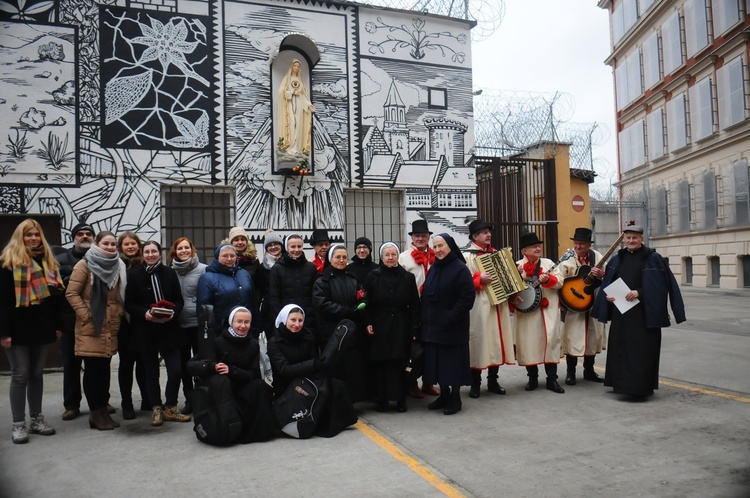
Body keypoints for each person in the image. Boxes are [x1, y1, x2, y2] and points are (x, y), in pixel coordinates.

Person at [592, 224, 685, 398]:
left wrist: (638, 293)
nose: (631, 241)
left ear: (642, 239)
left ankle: (640, 389)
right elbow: (609, 283)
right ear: (624, 240)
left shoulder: (653, 258)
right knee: (621, 349)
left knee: (641, 351)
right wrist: (609, 296)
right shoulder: (617, 259)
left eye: (635, 238)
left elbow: (661, 286)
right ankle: (620, 386)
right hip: (622, 314)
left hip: (643, 315)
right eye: (628, 238)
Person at [0, 219, 64, 443]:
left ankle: (37, 419)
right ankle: (19, 424)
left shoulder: (47, 261)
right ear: (21, 236)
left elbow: (55, 298)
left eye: (36, 235)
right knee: (20, 375)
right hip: (16, 328)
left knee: (37, 374)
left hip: (42, 325)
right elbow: (2, 300)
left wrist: (57, 326)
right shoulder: (8, 262)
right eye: (29, 235)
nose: (34, 238)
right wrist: (4, 332)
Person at [65, 231, 126, 430]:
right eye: (106, 243)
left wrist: (117, 312)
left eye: (113, 244)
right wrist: (87, 315)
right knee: (92, 371)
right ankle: (96, 413)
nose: (110, 247)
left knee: (103, 371)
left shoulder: (117, 266)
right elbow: (72, 293)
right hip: (91, 327)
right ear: (97, 244)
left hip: (110, 326)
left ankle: (101, 411)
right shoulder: (85, 264)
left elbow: (118, 297)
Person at [187, 306, 276, 443]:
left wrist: (232, 371)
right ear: (231, 322)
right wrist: (212, 366)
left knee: (261, 387)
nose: (243, 326)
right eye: (239, 322)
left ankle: (258, 432)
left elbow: (253, 374)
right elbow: (192, 365)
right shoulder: (217, 342)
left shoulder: (253, 344)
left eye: (247, 322)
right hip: (222, 392)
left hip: (241, 384)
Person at [125, 240, 190, 426]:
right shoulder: (135, 275)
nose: (151, 254)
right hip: (146, 330)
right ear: (142, 254)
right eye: (147, 252)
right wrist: (144, 313)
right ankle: (156, 407)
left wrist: (173, 313)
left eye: (154, 251)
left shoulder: (169, 273)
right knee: (150, 372)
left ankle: (171, 405)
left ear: (160, 253)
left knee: (176, 370)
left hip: (169, 329)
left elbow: (179, 300)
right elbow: (129, 303)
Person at [267, 304, 356, 438]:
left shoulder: (307, 336)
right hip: (287, 385)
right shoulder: (274, 342)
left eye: (300, 320)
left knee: (335, 385)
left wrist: (316, 367)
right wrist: (313, 365)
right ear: (285, 320)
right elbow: (284, 370)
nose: (297, 324)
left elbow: (314, 361)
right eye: (293, 320)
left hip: (306, 378)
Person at [420, 233, 475, 415]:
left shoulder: (460, 269)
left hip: (453, 327)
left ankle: (455, 398)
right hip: (435, 327)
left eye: (441, 246)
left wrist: (450, 317)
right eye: (435, 247)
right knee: (439, 364)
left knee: (453, 364)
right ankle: (444, 395)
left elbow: (467, 298)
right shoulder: (435, 267)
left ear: (450, 246)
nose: (437, 250)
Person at [364, 242, 420, 412]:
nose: (390, 258)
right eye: (387, 255)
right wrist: (368, 322)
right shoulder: (373, 277)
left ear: (398, 257)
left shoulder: (408, 278)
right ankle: (382, 400)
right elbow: (366, 302)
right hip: (380, 324)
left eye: (393, 255)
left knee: (400, 363)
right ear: (381, 257)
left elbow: (415, 305)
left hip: (401, 325)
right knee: (382, 363)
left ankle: (400, 399)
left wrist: (414, 328)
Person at [462, 219, 515, 398]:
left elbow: (509, 278)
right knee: (478, 341)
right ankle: (475, 383)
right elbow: (460, 283)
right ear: (474, 236)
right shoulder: (466, 256)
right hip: (478, 305)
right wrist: (477, 279)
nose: (489, 235)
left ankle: (493, 380)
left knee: (496, 341)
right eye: (484, 232)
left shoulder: (497, 254)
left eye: (489, 232)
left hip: (498, 304)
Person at [312, 244, 368, 402]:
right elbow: (322, 304)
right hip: (331, 333)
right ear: (331, 259)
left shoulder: (352, 278)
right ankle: (336, 402)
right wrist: (345, 311)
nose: (342, 260)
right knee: (336, 369)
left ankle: (352, 401)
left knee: (352, 368)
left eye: (344, 257)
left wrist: (360, 304)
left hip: (352, 332)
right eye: (338, 257)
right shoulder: (322, 281)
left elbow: (362, 295)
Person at [512, 232, 565, 394]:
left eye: (538, 246)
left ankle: (552, 379)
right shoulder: (516, 265)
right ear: (524, 251)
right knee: (529, 343)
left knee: (551, 342)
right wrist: (517, 274)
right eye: (533, 246)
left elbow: (560, 281)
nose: (538, 248)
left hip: (547, 310)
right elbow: (510, 289)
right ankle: (532, 378)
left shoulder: (548, 263)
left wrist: (548, 280)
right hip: (527, 313)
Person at [55, 222, 95, 421]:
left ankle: (99, 403)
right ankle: (71, 405)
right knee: (71, 366)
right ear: (74, 238)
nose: (85, 237)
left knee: (95, 366)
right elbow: (58, 289)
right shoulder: (60, 259)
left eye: (88, 234)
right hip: (70, 323)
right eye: (81, 234)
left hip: (95, 322)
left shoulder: (100, 259)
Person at [559, 227, 606, 386]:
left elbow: (608, 275)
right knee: (573, 337)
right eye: (576, 243)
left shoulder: (598, 257)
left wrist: (602, 275)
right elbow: (561, 281)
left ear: (589, 245)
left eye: (582, 244)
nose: (578, 247)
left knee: (592, 338)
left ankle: (589, 371)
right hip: (573, 306)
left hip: (592, 302)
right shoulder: (567, 259)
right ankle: (570, 373)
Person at [398, 219, 440, 398]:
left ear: (429, 237)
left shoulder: (437, 255)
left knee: (432, 346)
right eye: (417, 236)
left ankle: (428, 382)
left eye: (424, 235)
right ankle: (412, 383)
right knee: (414, 347)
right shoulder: (404, 257)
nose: (421, 238)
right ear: (412, 239)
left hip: (434, 306)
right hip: (412, 307)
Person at [167, 237, 207, 414]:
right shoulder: (170, 272)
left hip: (198, 323)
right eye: (180, 248)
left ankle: (202, 397)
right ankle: (189, 398)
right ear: (174, 251)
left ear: (192, 250)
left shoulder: (204, 269)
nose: (183, 251)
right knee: (184, 365)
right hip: (179, 325)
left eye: (187, 248)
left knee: (200, 363)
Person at [116, 232, 148, 418]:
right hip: (123, 321)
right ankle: (126, 403)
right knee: (126, 364)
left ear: (138, 245)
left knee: (144, 363)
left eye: (133, 244)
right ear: (121, 247)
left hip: (142, 320)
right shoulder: (116, 265)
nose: (130, 247)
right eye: (126, 244)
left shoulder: (145, 264)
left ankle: (146, 399)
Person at [196, 243, 255, 336]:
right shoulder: (208, 278)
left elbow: (253, 301)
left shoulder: (244, 274)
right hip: (221, 333)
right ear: (217, 257)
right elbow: (204, 310)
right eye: (225, 256)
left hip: (245, 331)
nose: (229, 259)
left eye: (232, 255)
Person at [268, 234, 317, 330]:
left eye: (299, 246)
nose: (296, 250)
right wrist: (279, 319)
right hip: (287, 319)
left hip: (308, 319)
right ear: (286, 248)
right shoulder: (277, 269)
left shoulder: (311, 267)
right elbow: (274, 298)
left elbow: (314, 295)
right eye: (293, 247)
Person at [277, 59, 315, 156]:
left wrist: (309, 105)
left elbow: (303, 95)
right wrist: (292, 92)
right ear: (292, 66)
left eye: (298, 66)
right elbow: (281, 92)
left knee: (298, 124)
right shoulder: (287, 79)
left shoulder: (300, 80)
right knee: (291, 123)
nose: (296, 68)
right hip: (289, 104)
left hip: (299, 104)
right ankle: (290, 146)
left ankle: (296, 147)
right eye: (295, 66)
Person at [254, 230, 284, 337]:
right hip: (269, 311)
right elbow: (259, 291)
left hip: (286, 306)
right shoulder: (262, 268)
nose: (273, 247)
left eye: (276, 244)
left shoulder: (288, 264)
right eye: (270, 245)